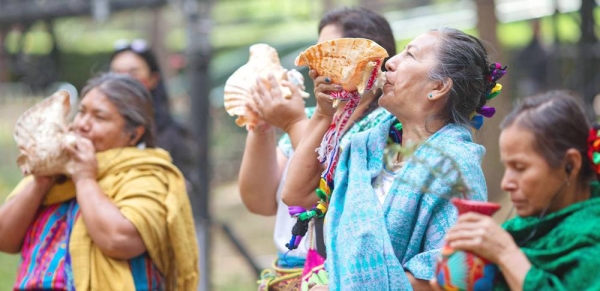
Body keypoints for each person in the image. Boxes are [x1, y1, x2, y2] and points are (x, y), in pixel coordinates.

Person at [282, 27, 506, 289]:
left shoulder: (454, 166)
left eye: (410, 55)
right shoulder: (367, 148)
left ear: (438, 87)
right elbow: (296, 194)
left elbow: (451, 278)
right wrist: (323, 113)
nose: (390, 62)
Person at [238, 6, 397, 290]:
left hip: (338, 278)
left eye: (329, 53)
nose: (317, 64)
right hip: (289, 275)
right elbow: (259, 202)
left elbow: (336, 184)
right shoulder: (313, 116)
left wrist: (293, 121)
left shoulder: (388, 123)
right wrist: (262, 125)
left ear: (364, 59)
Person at [0, 73, 199, 290]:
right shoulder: (56, 172)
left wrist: (84, 178)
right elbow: (4, 238)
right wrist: (42, 180)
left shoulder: (148, 176)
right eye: (82, 112)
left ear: (133, 135)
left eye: (99, 117)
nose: (83, 124)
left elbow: (119, 240)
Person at [431, 91, 600, 290]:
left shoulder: (592, 238)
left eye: (520, 168)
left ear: (570, 165)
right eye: (507, 168)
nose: (506, 184)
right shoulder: (519, 230)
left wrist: (506, 254)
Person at [109, 39, 200, 190]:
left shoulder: (174, 136)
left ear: (152, 79)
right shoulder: (94, 131)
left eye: (133, 73)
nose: (124, 81)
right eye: (116, 73)